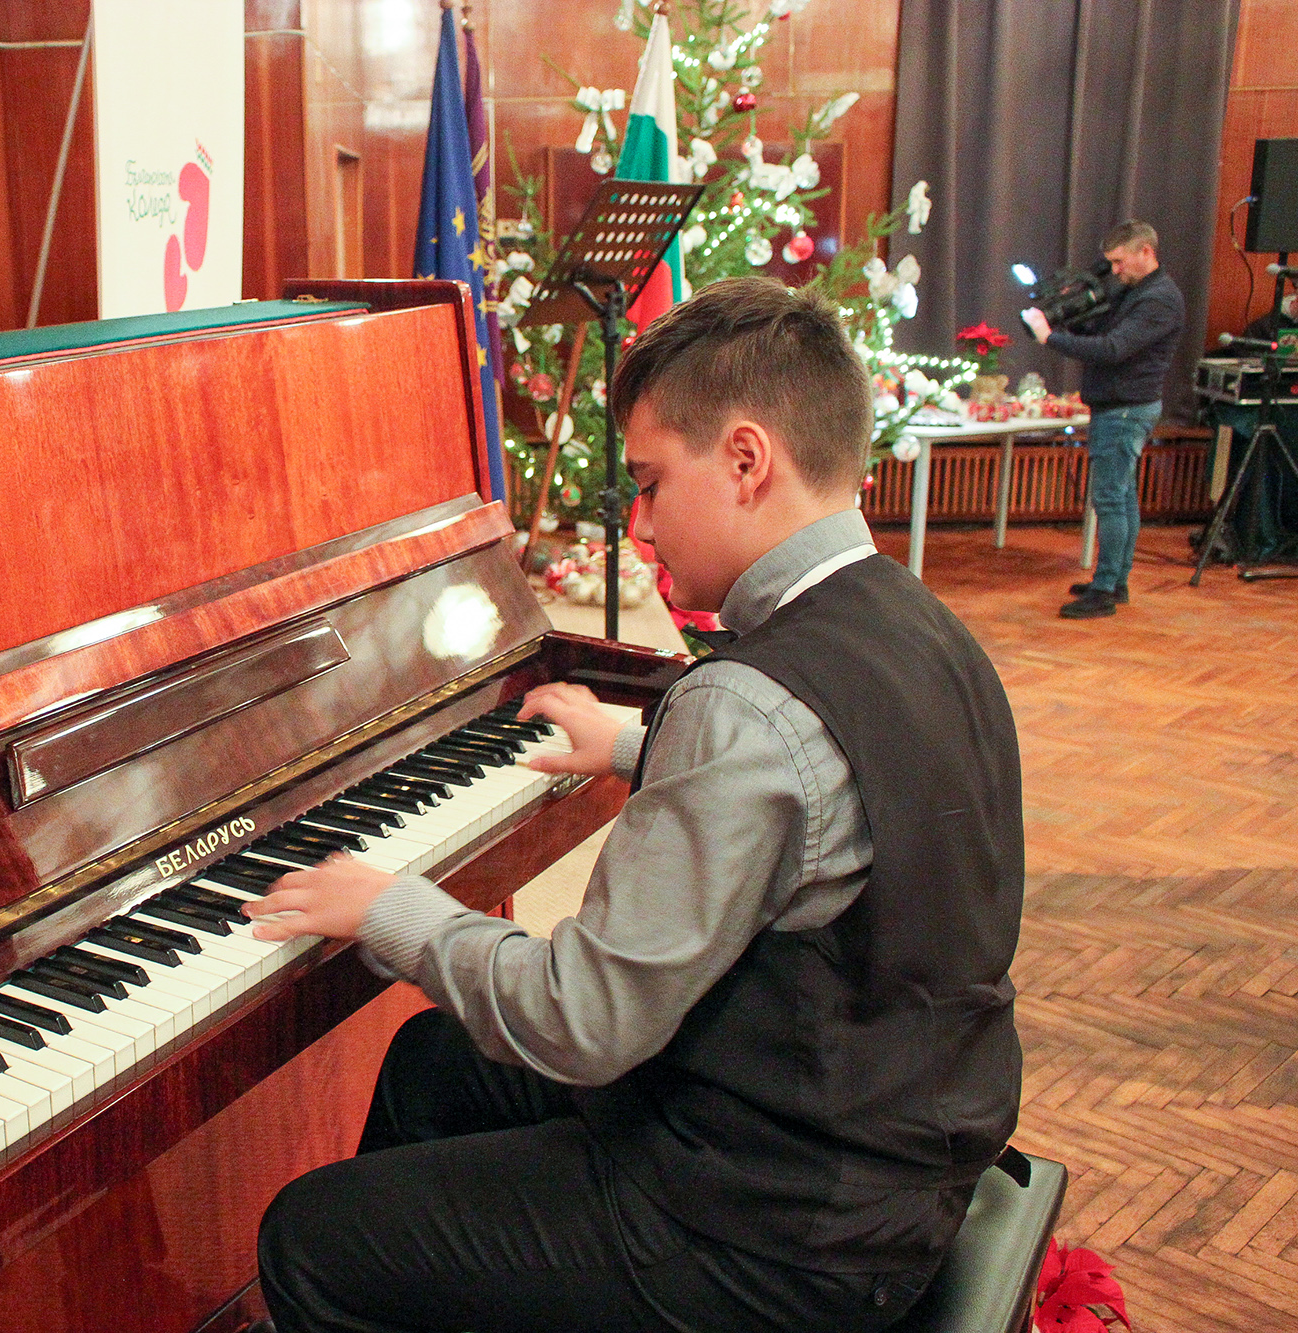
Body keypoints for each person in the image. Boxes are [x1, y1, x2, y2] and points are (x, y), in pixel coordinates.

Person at [244, 277, 1026, 1333]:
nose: (641, 524)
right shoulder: (918, 623)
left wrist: (397, 909)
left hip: (773, 1228)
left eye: (651, 482)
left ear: (746, 460)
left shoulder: (742, 707)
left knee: (308, 1236)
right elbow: (829, 798)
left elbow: (584, 1021)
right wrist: (632, 743)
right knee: (433, 1065)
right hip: (886, 1149)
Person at [1021, 220, 1185, 619]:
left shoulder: (1160, 299)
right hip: (1121, 406)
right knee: (1121, 498)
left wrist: (1049, 337)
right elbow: (1101, 331)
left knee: (1111, 500)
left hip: (1125, 408)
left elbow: (1113, 350)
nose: (1114, 270)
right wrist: (1066, 314)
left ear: (1146, 252)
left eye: (1119, 261)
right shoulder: (1137, 290)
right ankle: (1115, 581)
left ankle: (1105, 590)